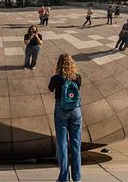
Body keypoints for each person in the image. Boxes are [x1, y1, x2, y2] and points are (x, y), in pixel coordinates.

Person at [48, 54, 82, 182]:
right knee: (76, 144)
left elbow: (50, 89)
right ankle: (77, 177)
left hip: (61, 110)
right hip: (76, 111)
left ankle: (64, 177)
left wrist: (56, 77)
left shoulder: (57, 78)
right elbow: (78, 88)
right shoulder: (77, 77)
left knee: (62, 144)